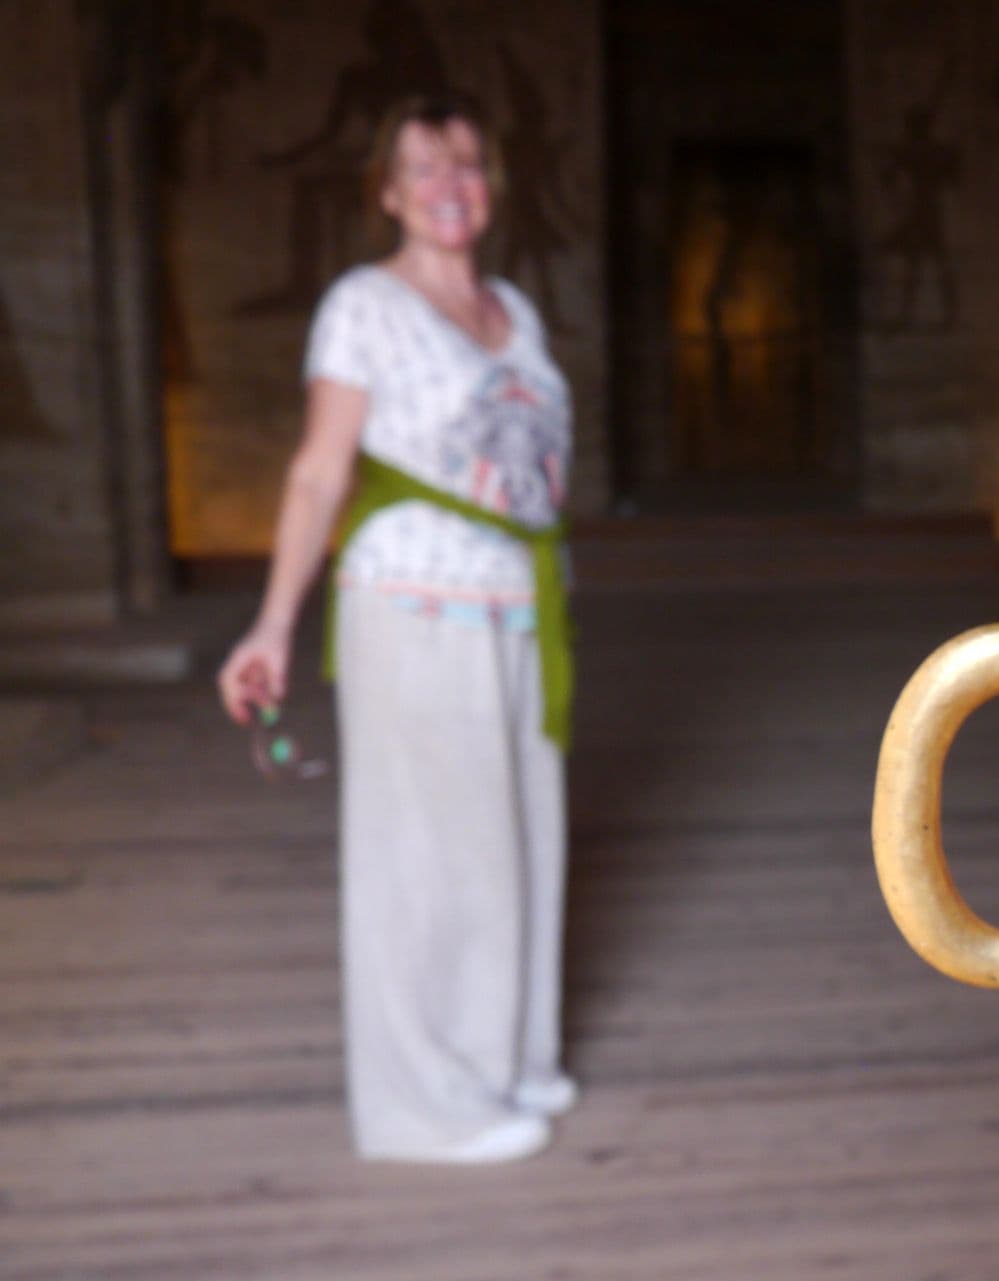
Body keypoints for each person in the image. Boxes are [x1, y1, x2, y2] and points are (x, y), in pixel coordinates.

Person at [216, 93, 576, 1164]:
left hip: (517, 609)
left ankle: (505, 1052)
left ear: (491, 185)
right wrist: (274, 625)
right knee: (431, 857)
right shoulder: (363, 305)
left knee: (518, 841)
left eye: (466, 164)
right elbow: (321, 469)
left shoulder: (515, 307)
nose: (448, 185)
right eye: (423, 169)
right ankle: (426, 1105)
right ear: (387, 193)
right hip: (413, 603)